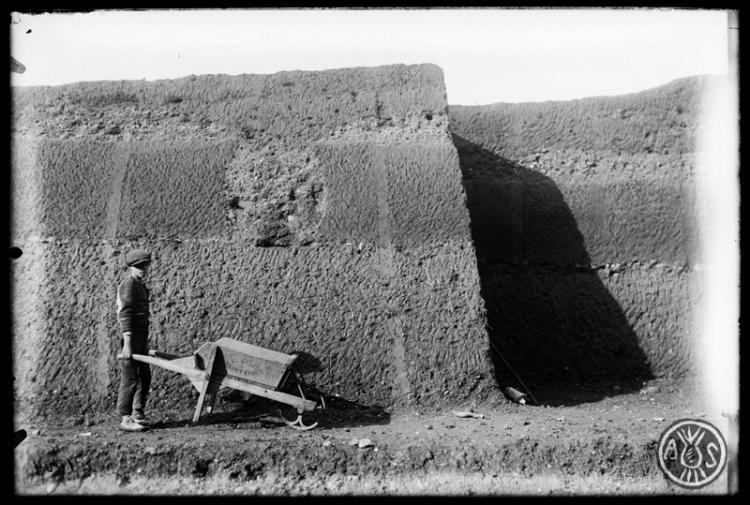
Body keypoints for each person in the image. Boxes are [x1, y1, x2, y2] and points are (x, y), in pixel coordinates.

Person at [116, 248, 153, 432]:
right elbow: (125, 314)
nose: (143, 269)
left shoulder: (140, 284)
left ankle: (138, 412)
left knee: (144, 376)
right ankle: (126, 418)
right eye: (139, 266)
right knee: (130, 378)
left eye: (145, 265)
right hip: (131, 337)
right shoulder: (129, 284)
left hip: (141, 337)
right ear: (131, 267)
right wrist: (128, 344)